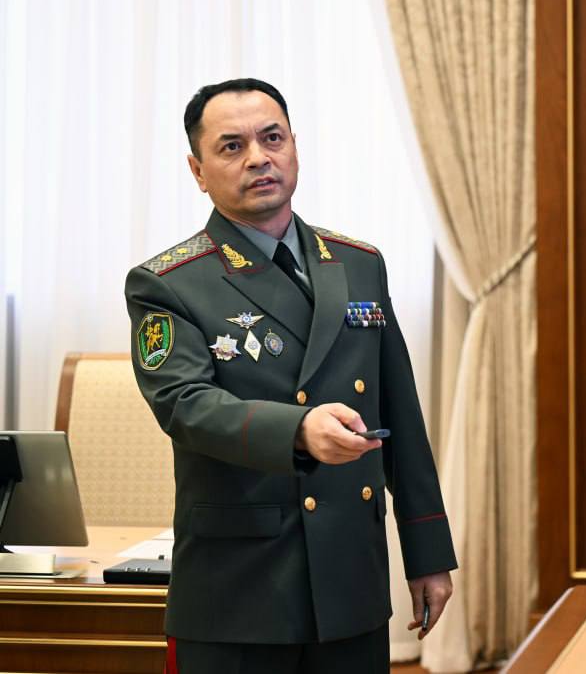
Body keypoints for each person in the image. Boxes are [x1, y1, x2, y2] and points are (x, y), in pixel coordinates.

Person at [124, 78, 455, 674]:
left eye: (272, 138)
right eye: (231, 146)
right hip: (240, 588)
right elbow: (185, 404)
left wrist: (427, 551)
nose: (258, 157)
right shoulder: (169, 282)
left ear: (294, 146)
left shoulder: (358, 263)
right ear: (198, 171)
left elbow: (400, 417)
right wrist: (299, 430)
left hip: (350, 577)